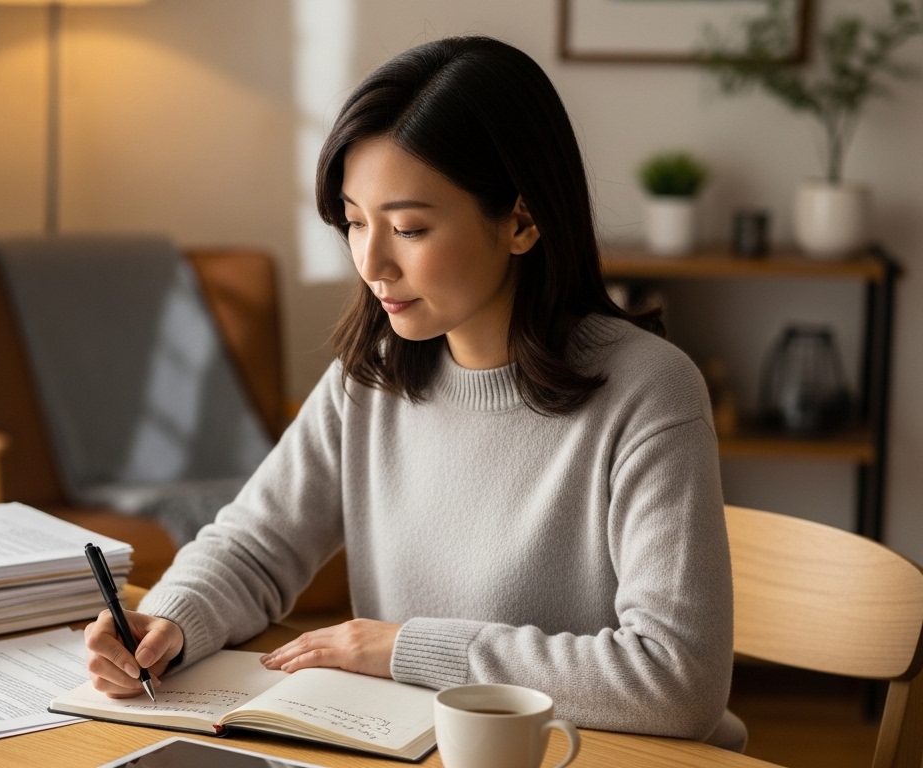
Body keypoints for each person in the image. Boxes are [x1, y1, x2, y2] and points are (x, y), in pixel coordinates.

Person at [83, 35, 743, 750]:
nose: (371, 262)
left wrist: (405, 649)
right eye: (355, 221)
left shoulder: (649, 390)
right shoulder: (372, 375)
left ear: (522, 221)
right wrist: (171, 624)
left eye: (408, 227)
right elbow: (255, 546)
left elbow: (677, 680)